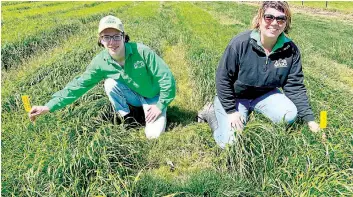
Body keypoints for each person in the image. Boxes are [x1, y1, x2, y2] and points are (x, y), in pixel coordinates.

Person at [29, 15, 176, 139]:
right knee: (110, 84)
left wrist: (160, 105)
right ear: (101, 40)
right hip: (132, 95)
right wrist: (48, 106)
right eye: (106, 37)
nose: (112, 42)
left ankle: (153, 112)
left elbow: (166, 78)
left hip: (153, 97)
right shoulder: (100, 62)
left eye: (116, 36)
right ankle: (129, 118)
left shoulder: (142, 52)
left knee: (153, 136)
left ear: (124, 37)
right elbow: (79, 85)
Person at [199, 1, 320, 148]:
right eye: (269, 17)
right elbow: (223, 79)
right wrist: (231, 111)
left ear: (286, 23)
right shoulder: (240, 44)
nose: (274, 23)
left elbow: (294, 86)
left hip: (265, 94)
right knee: (229, 143)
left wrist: (310, 120)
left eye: (280, 19)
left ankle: (249, 111)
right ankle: (211, 113)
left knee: (289, 114)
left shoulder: (291, 50)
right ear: (259, 19)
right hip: (236, 96)